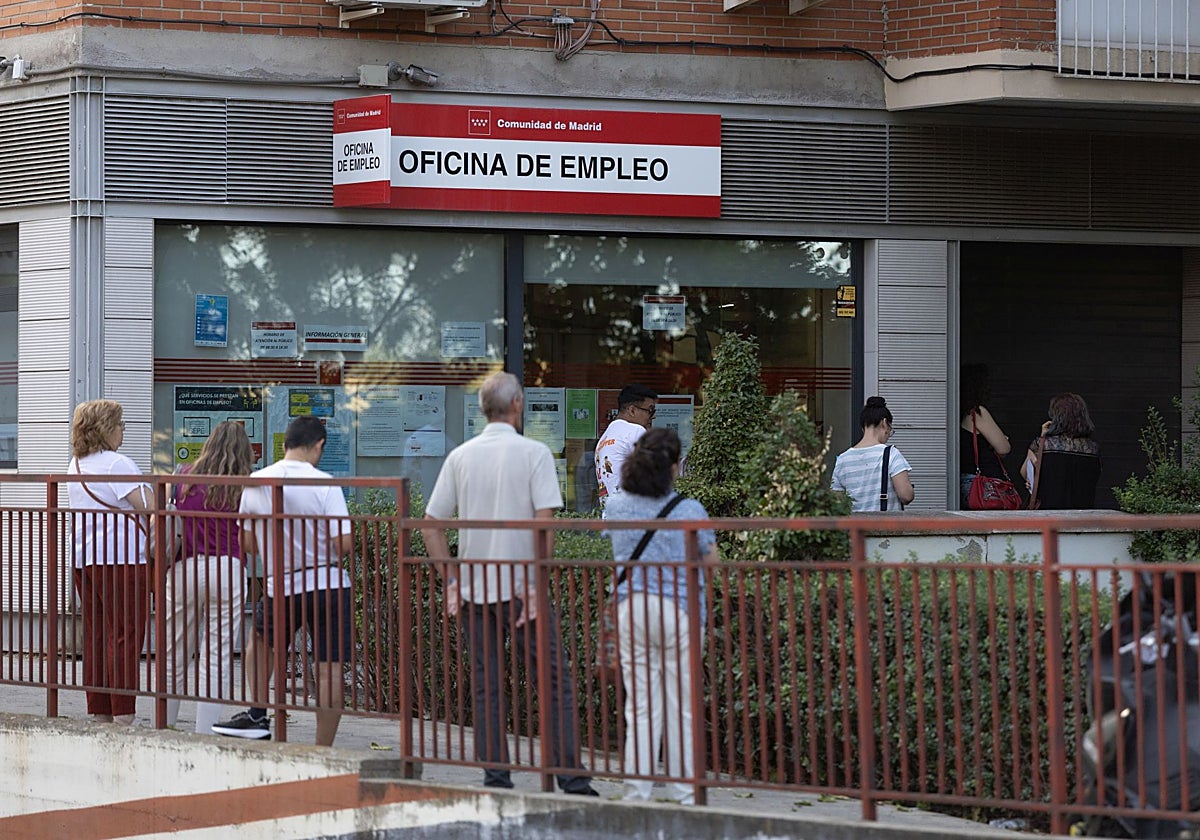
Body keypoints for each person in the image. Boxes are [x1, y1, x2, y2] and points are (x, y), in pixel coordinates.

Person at [422, 371, 598, 796]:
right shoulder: (534, 453)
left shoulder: (461, 456)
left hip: (474, 589)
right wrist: (535, 582)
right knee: (555, 680)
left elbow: (431, 525)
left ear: (483, 409)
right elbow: (544, 525)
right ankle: (569, 777)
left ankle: (496, 777)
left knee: (486, 684)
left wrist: (452, 577)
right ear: (517, 404)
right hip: (521, 590)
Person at [211, 415, 353, 746]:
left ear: (285, 444)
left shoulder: (256, 481)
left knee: (259, 642)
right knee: (329, 668)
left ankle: (258, 714)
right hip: (329, 583)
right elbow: (343, 544)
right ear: (319, 445)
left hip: (283, 584)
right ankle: (323, 748)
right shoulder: (324, 482)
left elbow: (247, 544)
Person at [604, 427, 718, 805]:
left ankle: (637, 791)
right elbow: (711, 563)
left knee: (640, 703)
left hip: (630, 607)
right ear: (672, 467)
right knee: (681, 704)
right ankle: (685, 792)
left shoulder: (616, 508)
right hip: (679, 609)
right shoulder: (689, 509)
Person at [164, 421, 253, 734]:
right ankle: (204, 732)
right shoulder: (246, 485)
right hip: (227, 569)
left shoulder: (183, 475)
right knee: (217, 654)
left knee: (174, 652)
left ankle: (165, 724)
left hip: (185, 567)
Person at [67, 399, 152, 725]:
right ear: (105, 428)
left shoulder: (76, 465)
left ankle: (101, 709)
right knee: (127, 634)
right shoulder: (117, 464)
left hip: (85, 559)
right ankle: (124, 712)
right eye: (120, 424)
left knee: (97, 635)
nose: (123, 430)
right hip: (123, 559)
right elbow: (147, 505)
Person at [831, 396, 915, 512]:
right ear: (884, 423)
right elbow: (906, 496)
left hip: (855, 528)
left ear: (863, 427)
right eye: (890, 430)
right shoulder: (891, 454)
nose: (888, 435)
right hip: (886, 528)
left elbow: (836, 502)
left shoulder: (843, 459)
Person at [1023, 392, 1102, 509]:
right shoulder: (1093, 448)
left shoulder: (1043, 445)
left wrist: (1042, 437)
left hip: (1048, 514)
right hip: (1082, 515)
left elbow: (1025, 473)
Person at [595, 384, 658, 512]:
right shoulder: (635, 431)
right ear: (632, 410)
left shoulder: (604, 439)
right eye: (650, 410)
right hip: (634, 516)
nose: (653, 416)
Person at [959, 364, 1013, 509]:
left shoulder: (958, 413)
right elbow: (1003, 448)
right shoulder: (976, 413)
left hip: (966, 483)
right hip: (984, 485)